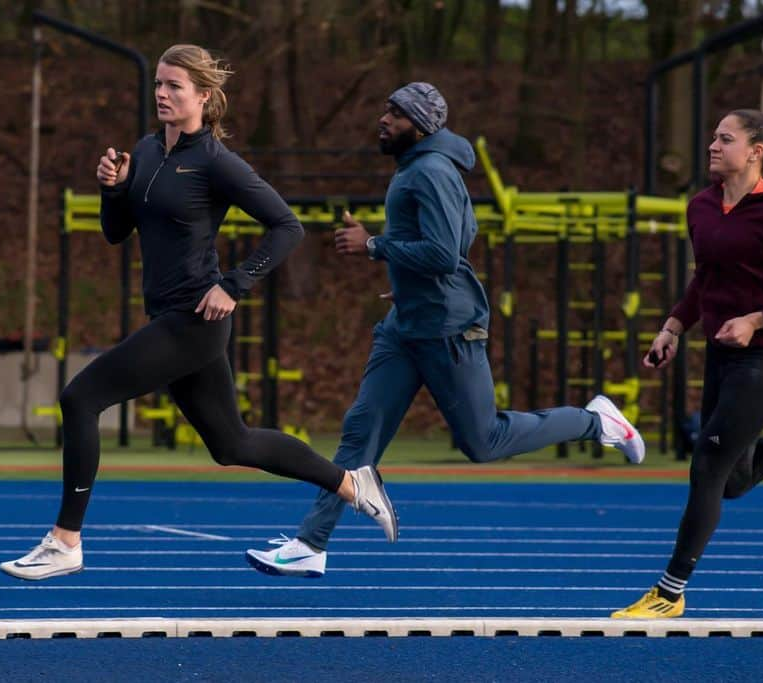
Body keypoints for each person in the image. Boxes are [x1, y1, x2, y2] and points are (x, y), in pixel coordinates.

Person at [1, 44, 396, 581]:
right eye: (159, 84)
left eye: (174, 87)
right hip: (170, 316)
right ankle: (353, 484)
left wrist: (233, 284)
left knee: (80, 398)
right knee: (231, 443)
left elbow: (287, 227)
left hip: (194, 320)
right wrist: (111, 189)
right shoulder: (144, 151)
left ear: (203, 97)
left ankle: (66, 541)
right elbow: (116, 233)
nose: (162, 94)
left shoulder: (215, 161)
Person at [246, 82, 646, 579]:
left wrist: (375, 246)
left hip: (448, 331)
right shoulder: (420, 168)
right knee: (361, 432)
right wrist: (407, 284)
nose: (383, 119)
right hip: (405, 326)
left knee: (485, 442)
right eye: (385, 109)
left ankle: (597, 422)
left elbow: (444, 253)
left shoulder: (430, 172)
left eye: (394, 113)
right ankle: (312, 542)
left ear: (420, 125)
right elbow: (464, 234)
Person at [612, 109, 763, 618]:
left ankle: (669, 592)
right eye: (713, 138)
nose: (713, 147)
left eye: (725, 139)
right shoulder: (700, 206)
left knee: (706, 468)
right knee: (735, 481)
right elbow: (706, 280)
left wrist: (757, 320)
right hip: (721, 360)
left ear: (755, 151)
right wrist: (673, 327)